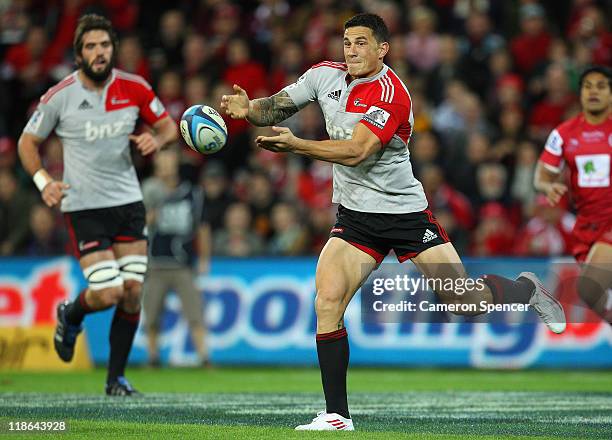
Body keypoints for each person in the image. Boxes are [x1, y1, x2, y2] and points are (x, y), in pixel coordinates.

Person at [221, 13, 566, 431]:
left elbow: (357, 152)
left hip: (405, 214)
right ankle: (337, 415)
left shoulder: (391, 93)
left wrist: (296, 145)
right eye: (347, 41)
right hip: (356, 218)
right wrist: (248, 110)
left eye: (361, 42)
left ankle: (525, 288)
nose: (351, 50)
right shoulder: (322, 76)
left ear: (382, 49)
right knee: (327, 301)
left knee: (465, 302)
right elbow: (275, 107)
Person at [17, 14, 178, 395]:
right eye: (91, 46)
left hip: (127, 202)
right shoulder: (60, 96)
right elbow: (27, 143)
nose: (99, 52)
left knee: (133, 291)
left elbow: (168, 126)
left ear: (113, 50)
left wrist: (159, 141)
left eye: (105, 45)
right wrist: (44, 182)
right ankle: (70, 314)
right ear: (78, 55)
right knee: (108, 294)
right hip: (84, 207)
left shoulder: (135, 88)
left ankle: (115, 379)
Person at [534, 65, 612, 324]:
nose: (594, 92)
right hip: (586, 225)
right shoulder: (563, 134)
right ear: (580, 94)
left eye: (601, 86)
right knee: (590, 293)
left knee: (589, 286)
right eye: (588, 86)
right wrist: (548, 187)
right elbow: (541, 175)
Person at [141, 147, 210, 367]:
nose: (166, 166)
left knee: (194, 311)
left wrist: (204, 258)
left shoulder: (192, 193)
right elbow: (138, 224)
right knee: (152, 314)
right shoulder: (149, 191)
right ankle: (153, 357)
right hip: (156, 262)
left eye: (169, 161)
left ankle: (203, 357)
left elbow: (202, 227)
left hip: (183, 263)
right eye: (162, 162)